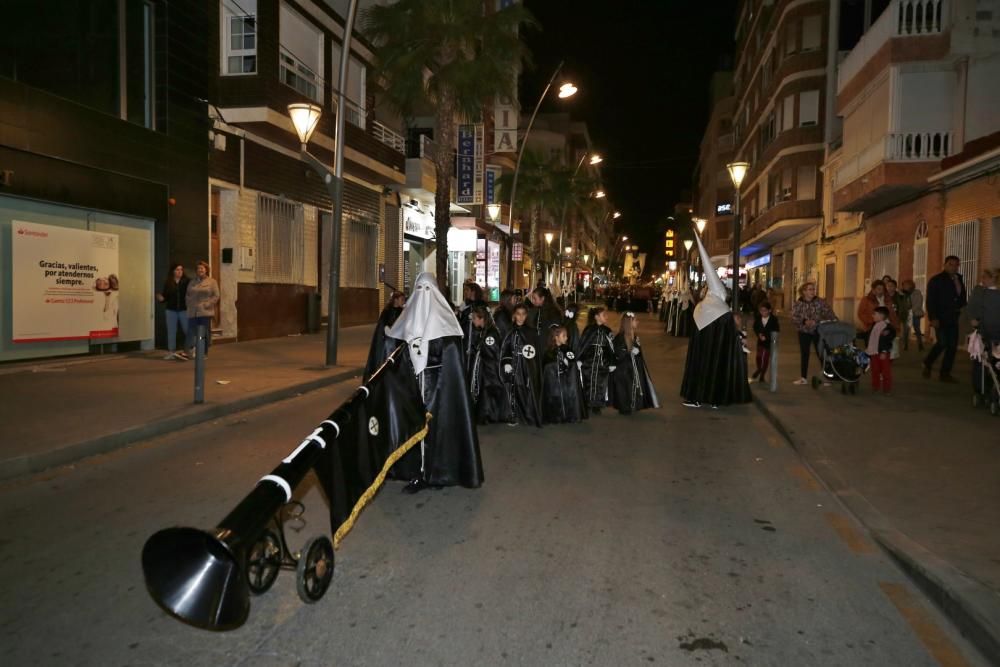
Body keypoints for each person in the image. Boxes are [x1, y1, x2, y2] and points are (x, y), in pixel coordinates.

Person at [368, 272, 484, 493]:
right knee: (411, 431)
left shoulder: (447, 327)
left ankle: (437, 472)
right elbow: (394, 352)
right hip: (411, 390)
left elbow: (453, 363)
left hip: (438, 391)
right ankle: (415, 472)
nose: (423, 296)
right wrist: (389, 338)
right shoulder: (405, 321)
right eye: (419, 290)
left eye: (427, 291)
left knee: (437, 432)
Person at [680, 232, 752, 408]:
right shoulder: (724, 310)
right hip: (718, 355)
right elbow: (730, 334)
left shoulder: (701, 308)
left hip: (701, 354)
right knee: (717, 370)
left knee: (701, 368)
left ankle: (697, 397)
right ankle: (716, 398)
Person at [923, 256, 967, 382]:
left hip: (954, 317)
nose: (953, 267)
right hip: (940, 317)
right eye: (951, 264)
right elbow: (931, 300)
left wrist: (962, 307)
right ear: (945, 265)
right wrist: (933, 317)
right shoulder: (936, 280)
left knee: (952, 346)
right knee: (942, 342)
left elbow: (961, 296)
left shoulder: (959, 279)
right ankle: (928, 362)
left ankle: (945, 373)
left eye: (956, 265)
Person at [499, 304, 543, 427]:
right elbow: (505, 347)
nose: (521, 317)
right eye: (518, 314)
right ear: (514, 315)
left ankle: (526, 414)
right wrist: (506, 362)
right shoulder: (510, 330)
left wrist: (532, 367)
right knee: (513, 389)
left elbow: (535, 352)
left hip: (525, 366)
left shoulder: (531, 332)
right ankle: (513, 415)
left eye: (523, 314)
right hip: (513, 364)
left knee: (524, 388)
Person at [610, 312, 660, 414]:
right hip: (624, 369)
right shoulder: (620, 337)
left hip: (633, 367)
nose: (637, 322)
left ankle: (632, 404)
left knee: (632, 386)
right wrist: (629, 351)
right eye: (635, 320)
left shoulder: (634, 336)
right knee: (625, 387)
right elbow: (617, 352)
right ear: (629, 323)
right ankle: (624, 406)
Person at [466, 305, 506, 425]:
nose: (473, 321)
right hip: (486, 368)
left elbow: (492, 352)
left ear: (482, 318)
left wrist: (479, 350)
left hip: (490, 369)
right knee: (485, 392)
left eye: (474, 318)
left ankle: (489, 415)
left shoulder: (490, 334)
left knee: (488, 392)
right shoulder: (485, 331)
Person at [790, 282, 836, 385]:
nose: (812, 291)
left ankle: (827, 377)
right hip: (804, 332)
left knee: (822, 354)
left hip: (818, 331)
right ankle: (803, 378)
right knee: (804, 354)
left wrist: (817, 321)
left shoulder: (820, 302)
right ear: (804, 292)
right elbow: (793, 317)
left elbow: (830, 314)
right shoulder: (798, 303)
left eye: (813, 289)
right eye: (810, 289)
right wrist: (804, 321)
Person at [541, 325, 587, 424]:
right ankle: (556, 416)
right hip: (554, 383)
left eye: (566, 335)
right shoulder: (549, 351)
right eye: (564, 335)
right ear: (556, 337)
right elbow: (546, 367)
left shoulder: (567, 349)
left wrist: (569, 363)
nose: (566, 338)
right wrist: (554, 364)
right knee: (555, 398)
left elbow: (572, 361)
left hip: (566, 381)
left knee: (568, 397)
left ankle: (569, 415)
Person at [578, 306, 616, 414]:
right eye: (604, 315)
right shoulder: (589, 329)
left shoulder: (607, 331)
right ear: (596, 317)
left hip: (602, 362)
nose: (606, 317)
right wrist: (579, 358)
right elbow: (583, 344)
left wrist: (612, 362)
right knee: (588, 381)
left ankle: (597, 404)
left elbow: (611, 347)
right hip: (589, 361)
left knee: (600, 382)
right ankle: (587, 402)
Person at [366, 291, 406, 373]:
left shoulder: (403, 311)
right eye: (402, 299)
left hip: (399, 340)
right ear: (396, 300)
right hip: (389, 341)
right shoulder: (387, 311)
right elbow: (384, 326)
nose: (403, 302)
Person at [186, 261, 220, 358]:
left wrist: (207, 304)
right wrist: (189, 304)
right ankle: (193, 350)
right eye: (198, 268)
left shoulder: (212, 282)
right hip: (193, 311)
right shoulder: (192, 282)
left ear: (206, 270)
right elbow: (187, 295)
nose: (200, 270)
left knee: (203, 333)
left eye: (202, 268)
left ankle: (204, 352)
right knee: (192, 332)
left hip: (205, 312)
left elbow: (216, 296)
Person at [156, 263, 190, 360]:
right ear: (173, 271)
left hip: (184, 310)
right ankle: (171, 352)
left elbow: (191, 295)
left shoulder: (187, 281)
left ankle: (190, 349)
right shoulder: (168, 282)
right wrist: (161, 298)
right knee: (171, 331)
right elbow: (166, 296)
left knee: (187, 330)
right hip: (171, 310)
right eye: (177, 270)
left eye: (181, 270)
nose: (179, 272)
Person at [865, 306, 896, 394]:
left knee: (885, 371)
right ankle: (875, 386)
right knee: (875, 370)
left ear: (881, 316)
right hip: (873, 352)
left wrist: (884, 351)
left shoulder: (887, 327)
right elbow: (869, 336)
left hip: (882, 353)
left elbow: (887, 340)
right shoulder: (874, 325)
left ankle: (886, 388)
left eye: (874, 314)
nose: (872, 316)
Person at [751, 301, 780, 383]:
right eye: (761, 311)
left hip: (769, 342)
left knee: (765, 358)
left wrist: (767, 336)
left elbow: (776, 330)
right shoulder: (758, 318)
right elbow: (755, 327)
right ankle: (759, 369)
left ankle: (762, 375)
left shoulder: (773, 319)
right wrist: (759, 334)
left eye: (764, 310)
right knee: (759, 357)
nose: (763, 312)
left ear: (769, 310)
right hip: (760, 340)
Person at [902, 279, 925, 351]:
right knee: (906, 330)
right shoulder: (903, 294)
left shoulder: (917, 293)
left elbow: (918, 303)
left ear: (911, 285)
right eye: (904, 285)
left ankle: (920, 344)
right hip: (907, 314)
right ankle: (905, 345)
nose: (905, 287)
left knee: (917, 329)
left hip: (915, 314)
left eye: (906, 285)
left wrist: (911, 311)